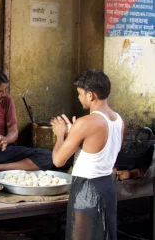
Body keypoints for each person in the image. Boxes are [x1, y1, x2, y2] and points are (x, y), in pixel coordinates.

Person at [51, 69, 123, 240]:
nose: (79, 98)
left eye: (79, 94)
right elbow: (100, 150)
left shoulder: (86, 122)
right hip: (107, 186)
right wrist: (75, 133)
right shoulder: (118, 120)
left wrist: (60, 134)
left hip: (86, 189)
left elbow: (58, 161)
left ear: (90, 95)